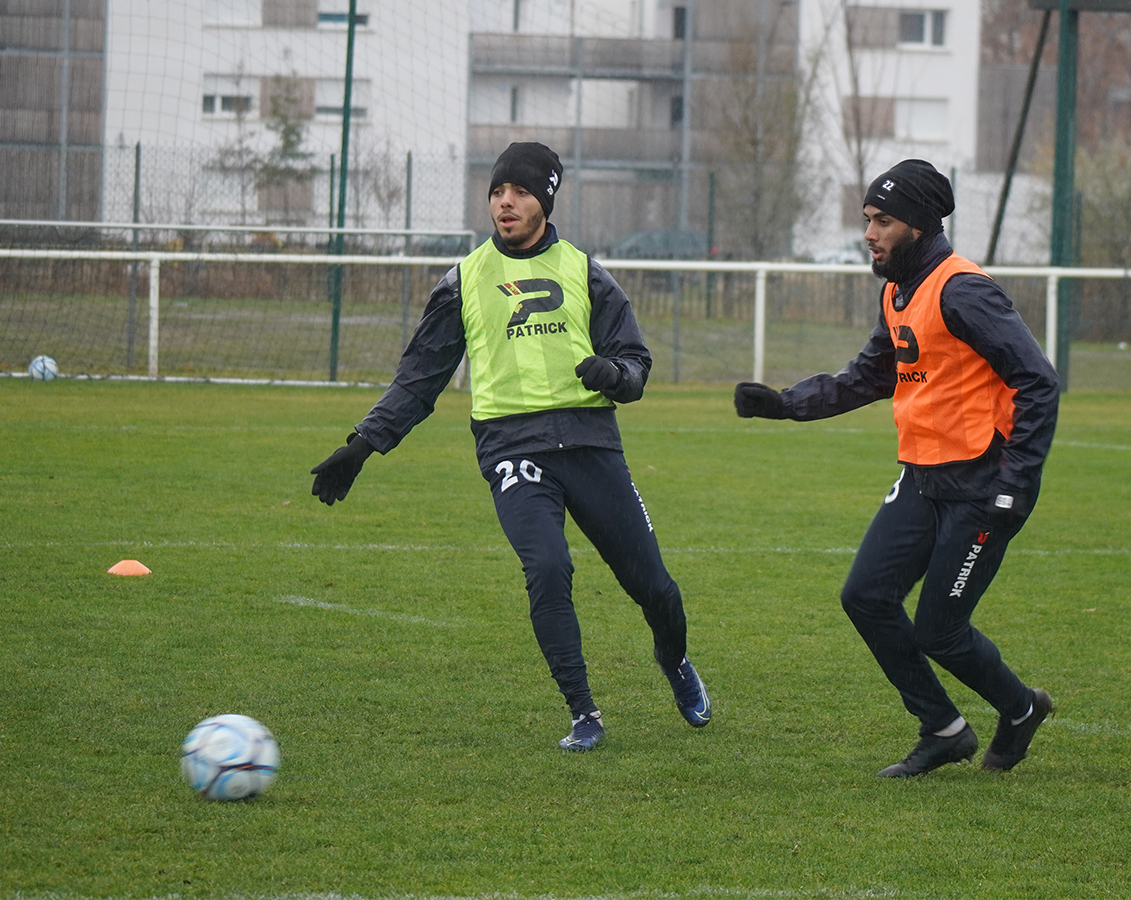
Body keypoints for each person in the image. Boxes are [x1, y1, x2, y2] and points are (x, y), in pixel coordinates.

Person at [311, 141, 710, 751]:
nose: (506, 202)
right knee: (548, 568)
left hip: (590, 445)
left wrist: (614, 375)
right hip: (511, 448)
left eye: (521, 192)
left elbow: (636, 363)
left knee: (655, 587)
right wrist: (360, 446)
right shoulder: (465, 280)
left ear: (545, 201)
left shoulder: (584, 271)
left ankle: (676, 662)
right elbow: (418, 380)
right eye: (498, 191)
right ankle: (584, 713)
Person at [734, 159, 1059, 777]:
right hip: (921, 477)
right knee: (865, 596)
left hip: (980, 486)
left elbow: (1038, 382)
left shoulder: (963, 289)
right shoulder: (898, 292)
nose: (870, 232)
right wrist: (784, 405)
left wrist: (1016, 485)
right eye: (867, 220)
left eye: (883, 220)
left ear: (919, 224)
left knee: (941, 631)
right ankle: (943, 727)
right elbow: (870, 377)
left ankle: (1019, 710)